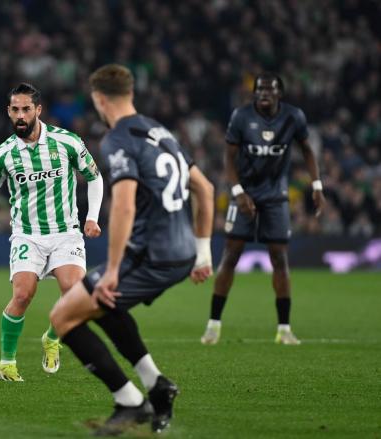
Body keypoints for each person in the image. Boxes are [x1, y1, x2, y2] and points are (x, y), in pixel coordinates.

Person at [49, 64, 214, 435]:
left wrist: (111, 269)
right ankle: (157, 386)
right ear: (131, 94)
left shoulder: (118, 138)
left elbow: (123, 205)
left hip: (152, 253)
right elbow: (205, 190)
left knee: (63, 317)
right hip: (181, 250)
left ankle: (130, 401)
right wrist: (202, 252)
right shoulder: (160, 131)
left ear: (99, 99)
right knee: (106, 305)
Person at [0, 83, 103, 382]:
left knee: (74, 293)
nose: (21, 115)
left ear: (38, 110)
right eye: (15, 109)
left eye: (26, 109)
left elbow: (95, 177)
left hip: (66, 232)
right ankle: (6, 363)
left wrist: (91, 217)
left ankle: (53, 337)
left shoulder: (67, 142)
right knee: (24, 294)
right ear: (8, 112)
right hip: (27, 234)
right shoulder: (4, 154)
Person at [200, 72, 325, 346]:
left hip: (276, 196)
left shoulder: (294, 117)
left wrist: (316, 185)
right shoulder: (241, 117)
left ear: (280, 93)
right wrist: (238, 192)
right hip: (243, 193)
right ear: (253, 93)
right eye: (259, 90)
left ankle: (284, 329)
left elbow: (307, 150)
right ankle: (213, 326)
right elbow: (228, 158)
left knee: (280, 259)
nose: (263, 94)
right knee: (230, 255)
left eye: (269, 90)